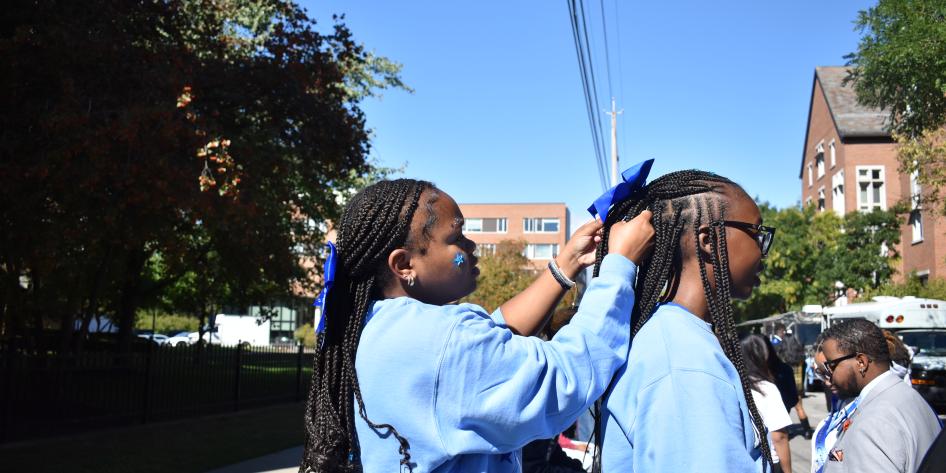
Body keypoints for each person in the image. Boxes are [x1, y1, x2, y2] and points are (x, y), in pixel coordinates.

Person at [299, 178, 655, 472]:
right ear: (404, 264)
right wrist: (619, 266)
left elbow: (494, 336)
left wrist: (566, 264)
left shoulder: (382, 325)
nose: (473, 246)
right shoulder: (441, 341)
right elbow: (564, 377)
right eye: (456, 238)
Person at [596, 170, 775, 472]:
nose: (763, 250)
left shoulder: (677, 339)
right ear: (708, 239)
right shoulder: (683, 360)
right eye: (756, 232)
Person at [819, 319, 942, 473]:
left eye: (831, 365)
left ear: (861, 362)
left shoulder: (874, 420)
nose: (829, 377)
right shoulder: (909, 397)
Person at [742, 335, 794, 473]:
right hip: (768, 462)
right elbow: (779, 436)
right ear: (764, 355)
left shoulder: (734, 385)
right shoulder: (766, 388)